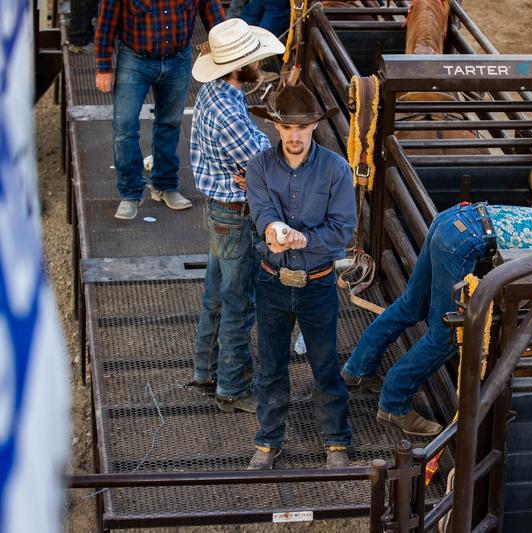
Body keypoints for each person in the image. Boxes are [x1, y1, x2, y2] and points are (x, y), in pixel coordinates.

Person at [341, 202, 532, 437]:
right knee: (449, 333)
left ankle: (357, 369)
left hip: (453, 219)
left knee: (410, 305)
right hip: (465, 241)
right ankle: (394, 403)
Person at [245, 79, 356, 469]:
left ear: (314, 127)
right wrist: (274, 230)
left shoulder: (336, 169)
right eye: (287, 127)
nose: (294, 136)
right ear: (276, 126)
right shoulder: (259, 167)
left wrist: (299, 239)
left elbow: (343, 230)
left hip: (318, 281)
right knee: (271, 362)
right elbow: (260, 213)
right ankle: (268, 439)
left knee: (325, 363)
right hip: (271, 279)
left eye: (302, 127)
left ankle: (336, 440)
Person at [187, 19, 284, 412]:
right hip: (234, 214)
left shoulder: (214, 93)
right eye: (254, 59)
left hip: (218, 211)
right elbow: (262, 160)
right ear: (240, 67)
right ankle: (233, 387)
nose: (259, 65)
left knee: (217, 293)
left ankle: (205, 371)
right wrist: (258, 165)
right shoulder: (229, 110)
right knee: (239, 301)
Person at [94, 0, 224, 220]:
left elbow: (214, 15)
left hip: (178, 59)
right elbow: (106, 21)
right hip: (135, 59)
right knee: (124, 125)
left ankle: (165, 186)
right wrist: (103, 66)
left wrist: (229, 53)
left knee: (170, 123)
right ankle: (130, 193)